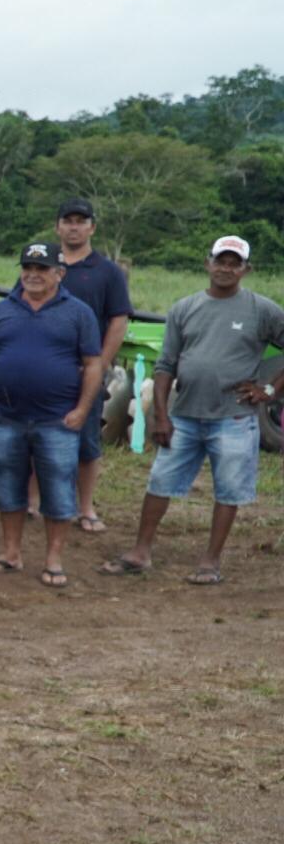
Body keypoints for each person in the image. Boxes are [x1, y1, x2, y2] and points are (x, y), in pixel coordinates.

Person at [103, 235, 284, 584]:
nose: (226, 268)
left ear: (247, 269)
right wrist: (161, 414)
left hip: (234, 417)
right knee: (159, 481)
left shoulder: (262, 310)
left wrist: (268, 389)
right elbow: (165, 365)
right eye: (221, 261)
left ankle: (210, 562)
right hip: (184, 415)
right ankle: (140, 552)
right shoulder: (185, 308)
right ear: (207, 264)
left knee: (228, 490)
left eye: (235, 263)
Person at [0, 240, 104, 590]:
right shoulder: (1, 312)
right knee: (6, 486)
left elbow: (93, 364)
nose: (33, 275)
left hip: (58, 419)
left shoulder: (78, 313)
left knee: (58, 491)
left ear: (59, 273)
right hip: (6, 417)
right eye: (28, 268)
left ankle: (53, 558)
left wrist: (82, 409)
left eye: (42, 269)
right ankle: (10, 552)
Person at [46, 198, 132, 534]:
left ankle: (85, 507)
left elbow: (118, 321)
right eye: (68, 221)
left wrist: (100, 364)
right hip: (46, 370)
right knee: (38, 435)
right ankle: (34, 502)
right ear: (58, 226)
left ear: (92, 227)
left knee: (86, 441)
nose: (74, 227)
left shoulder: (107, 271)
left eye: (81, 221)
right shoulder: (43, 264)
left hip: (87, 371)